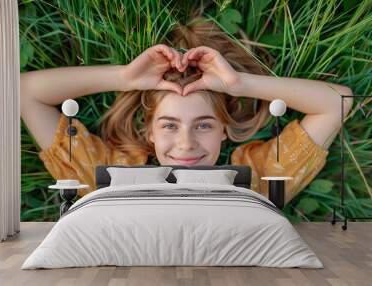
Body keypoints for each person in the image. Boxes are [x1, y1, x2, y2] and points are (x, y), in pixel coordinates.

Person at [20, 17, 353, 203]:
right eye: (169, 125)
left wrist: (241, 84)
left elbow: (337, 102)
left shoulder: (259, 182)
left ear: (225, 128)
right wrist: (123, 77)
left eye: (204, 125)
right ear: (148, 132)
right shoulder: (105, 184)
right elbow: (24, 91)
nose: (186, 144)